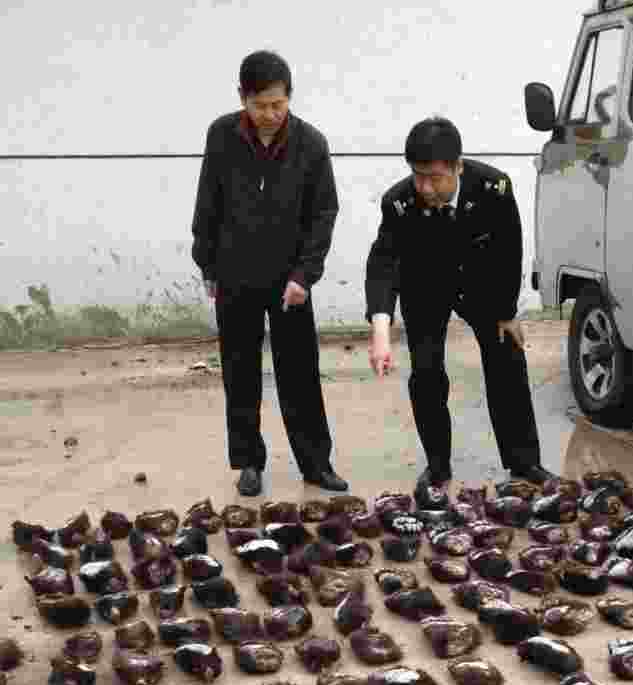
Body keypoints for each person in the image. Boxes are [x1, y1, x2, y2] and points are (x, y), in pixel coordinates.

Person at [364, 117, 559, 490]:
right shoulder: (399, 203)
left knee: (507, 356)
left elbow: (508, 248)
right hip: (425, 288)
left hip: (480, 286)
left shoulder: (494, 188)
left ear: (458, 166)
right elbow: (383, 264)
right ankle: (438, 464)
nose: (424, 187)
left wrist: (506, 311)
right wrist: (381, 332)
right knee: (426, 373)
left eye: (435, 177)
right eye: (417, 176)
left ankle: (524, 461)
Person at [191, 50, 349, 497]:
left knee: (299, 374)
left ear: (289, 97)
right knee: (239, 372)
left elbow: (323, 214)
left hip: (289, 282)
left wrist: (305, 275)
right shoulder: (221, 136)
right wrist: (208, 263)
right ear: (243, 98)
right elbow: (208, 203)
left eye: (278, 104)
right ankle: (248, 462)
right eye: (260, 105)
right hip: (234, 275)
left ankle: (316, 464)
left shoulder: (311, 145)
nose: (269, 115)